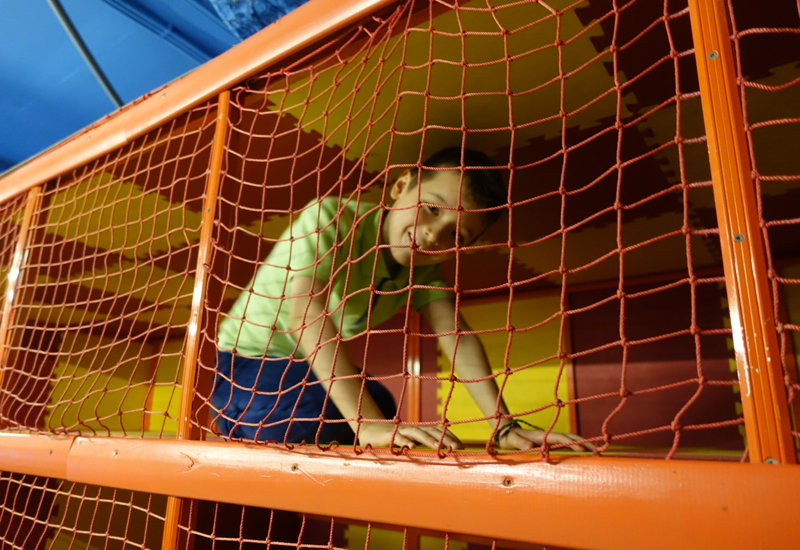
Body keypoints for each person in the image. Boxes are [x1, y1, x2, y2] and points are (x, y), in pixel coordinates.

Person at [212, 147, 592, 452]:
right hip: (248, 360)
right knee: (316, 423)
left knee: (380, 401)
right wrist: (367, 424)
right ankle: (235, 414)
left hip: (303, 368)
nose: (433, 237)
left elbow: (456, 336)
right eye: (431, 208)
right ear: (400, 187)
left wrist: (503, 425)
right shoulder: (332, 218)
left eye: (456, 236)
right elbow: (304, 312)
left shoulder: (425, 272)